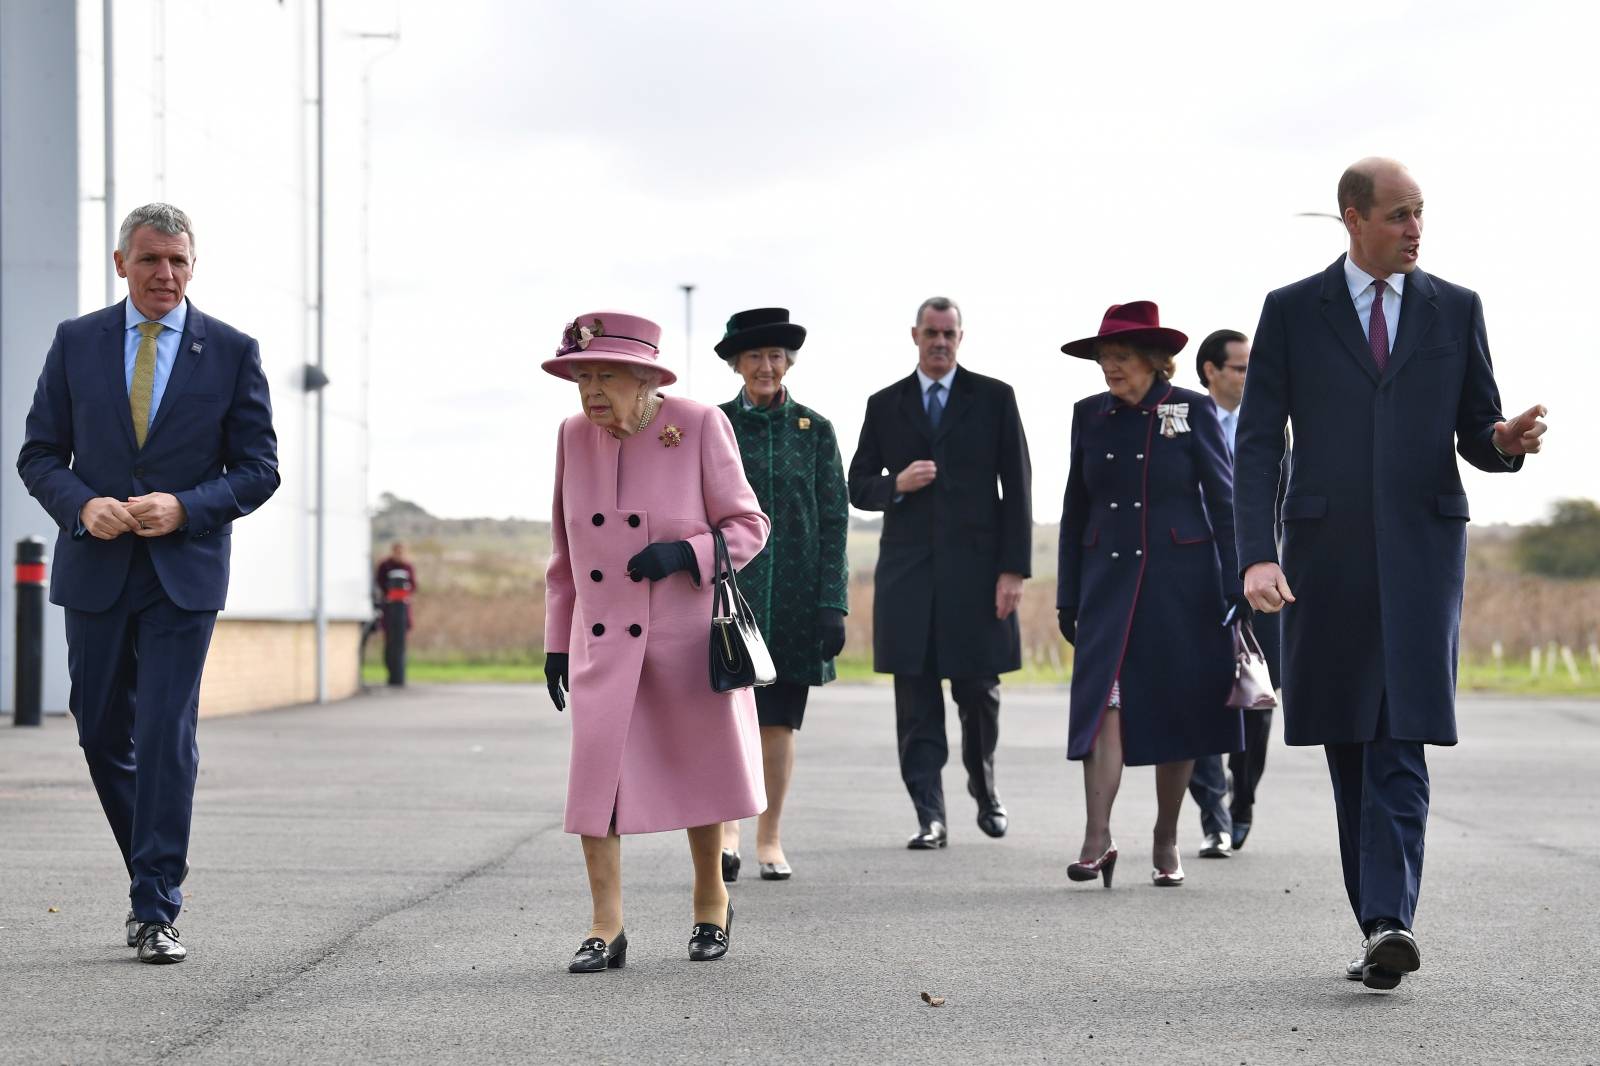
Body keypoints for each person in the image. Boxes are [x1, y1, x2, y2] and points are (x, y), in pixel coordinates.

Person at [1234, 158, 1547, 990]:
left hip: (1421, 554)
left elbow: (1478, 425)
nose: (1415, 229)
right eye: (1400, 214)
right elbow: (1259, 440)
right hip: (1323, 558)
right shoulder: (1293, 312)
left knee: (1400, 733)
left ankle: (1389, 920)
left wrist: (1503, 442)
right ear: (1353, 218)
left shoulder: (1457, 308)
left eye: (1421, 214)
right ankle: (1376, 916)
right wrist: (1256, 553)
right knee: (1348, 737)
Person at [15, 203, 280, 964]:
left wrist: (186, 506)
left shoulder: (230, 351)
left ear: (193, 266)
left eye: (179, 262)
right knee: (100, 729)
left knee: (166, 734)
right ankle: (150, 869)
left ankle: (155, 903)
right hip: (95, 567)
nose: (166, 275)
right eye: (151, 260)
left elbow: (259, 469)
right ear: (121, 262)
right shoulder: (76, 344)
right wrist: (82, 505)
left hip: (183, 573)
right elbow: (39, 454)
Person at [541, 311, 771, 972]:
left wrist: (686, 552)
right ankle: (604, 926)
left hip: (685, 639)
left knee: (700, 776)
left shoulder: (697, 424)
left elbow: (750, 526)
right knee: (596, 785)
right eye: (581, 376)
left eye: (605, 375)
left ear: (644, 379)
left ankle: (710, 902)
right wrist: (558, 641)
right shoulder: (572, 436)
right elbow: (563, 557)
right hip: (605, 643)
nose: (590, 390)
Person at [1056, 302, 1245, 888]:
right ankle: (1097, 837)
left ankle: (1166, 836)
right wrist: (1068, 593)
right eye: (1104, 359)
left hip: (1182, 588)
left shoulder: (1190, 409)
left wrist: (1237, 582)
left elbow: (1223, 498)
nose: (1109, 369)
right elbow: (1073, 510)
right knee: (1103, 707)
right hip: (1106, 586)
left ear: (1154, 362)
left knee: (1177, 712)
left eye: (1120, 358)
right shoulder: (1088, 415)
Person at [848, 296, 1032, 849]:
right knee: (915, 699)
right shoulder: (885, 405)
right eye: (931, 333)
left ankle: (984, 784)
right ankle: (929, 813)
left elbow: (1018, 489)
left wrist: (1013, 572)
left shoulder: (995, 398)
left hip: (978, 579)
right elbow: (856, 484)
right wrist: (895, 485)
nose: (940, 342)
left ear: (960, 337)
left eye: (949, 333)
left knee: (979, 693)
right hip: (908, 579)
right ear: (914, 335)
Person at [714, 308, 849, 883]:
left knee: (778, 724)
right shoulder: (712, 425)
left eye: (775, 356)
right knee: (724, 717)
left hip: (796, 598)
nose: (766, 366)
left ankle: (769, 837)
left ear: (788, 361)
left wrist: (833, 602)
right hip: (727, 595)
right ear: (736, 363)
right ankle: (727, 831)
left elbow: (835, 519)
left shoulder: (814, 430)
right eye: (754, 356)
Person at [1186, 329, 1283, 856]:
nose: (1249, 376)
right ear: (1210, 371)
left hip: (1261, 584)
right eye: (1240, 367)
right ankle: (1213, 813)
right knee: (1200, 701)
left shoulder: (1273, 430)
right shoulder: (1183, 422)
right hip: (1198, 579)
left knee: (1256, 703)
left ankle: (1243, 799)